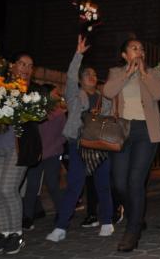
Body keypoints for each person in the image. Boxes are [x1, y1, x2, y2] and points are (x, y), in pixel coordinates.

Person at [46, 35, 115, 242]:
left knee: (103, 184)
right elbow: (69, 77)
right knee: (74, 186)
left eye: (94, 74)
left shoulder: (105, 99)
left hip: (100, 146)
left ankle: (107, 222)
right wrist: (78, 55)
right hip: (78, 145)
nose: (92, 77)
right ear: (81, 78)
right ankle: (60, 227)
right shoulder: (75, 96)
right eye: (87, 74)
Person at [103, 33, 160, 252]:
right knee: (119, 183)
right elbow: (108, 91)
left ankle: (131, 232)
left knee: (135, 181)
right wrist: (128, 74)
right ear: (124, 54)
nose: (139, 51)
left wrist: (142, 74)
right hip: (123, 131)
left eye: (141, 48)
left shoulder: (152, 72)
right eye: (134, 48)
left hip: (145, 132)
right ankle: (136, 217)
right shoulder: (116, 72)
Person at [0, 52, 43, 254]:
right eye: (22, 64)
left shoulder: (34, 91)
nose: (26, 69)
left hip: (17, 148)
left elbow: (39, 114)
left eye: (30, 65)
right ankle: (4, 233)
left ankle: (17, 235)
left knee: (8, 189)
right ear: (12, 66)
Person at [22, 84, 66, 230]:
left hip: (53, 154)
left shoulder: (60, 113)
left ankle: (61, 212)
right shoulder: (36, 112)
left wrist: (53, 148)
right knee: (32, 186)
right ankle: (27, 217)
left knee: (52, 184)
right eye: (54, 93)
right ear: (45, 94)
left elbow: (64, 135)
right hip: (37, 154)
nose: (58, 96)